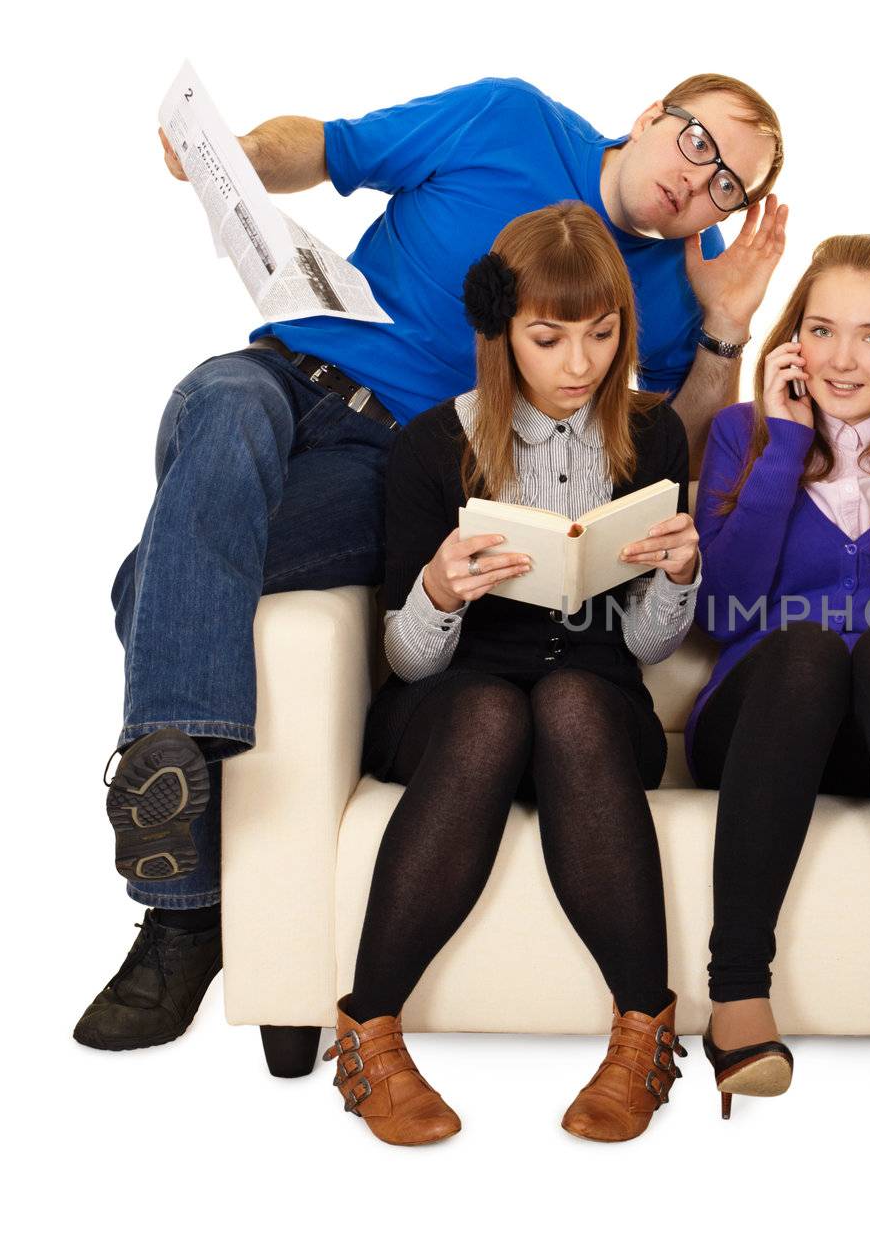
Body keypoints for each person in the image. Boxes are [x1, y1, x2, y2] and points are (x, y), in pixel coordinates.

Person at [77, 73, 787, 1052]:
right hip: (284, 373)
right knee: (221, 397)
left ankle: (181, 909)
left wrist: (722, 328)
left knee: (148, 580)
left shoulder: (670, 290)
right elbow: (326, 148)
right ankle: (178, 834)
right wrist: (232, 156)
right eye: (698, 144)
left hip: (395, 465)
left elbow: (669, 457)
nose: (698, 184)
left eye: (730, 190)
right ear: (651, 116)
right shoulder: (507, 118)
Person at [327, 202, 700, 1145]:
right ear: (502, 333)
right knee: (493, 709)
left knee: (573, 698)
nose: (579, 364)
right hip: (456, 704)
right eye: (549, 337)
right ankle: (369, 1030)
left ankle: (642, 1032)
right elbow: (407, 660)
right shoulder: (429, 449)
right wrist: (440, 594)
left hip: (597, 700)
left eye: (602, 335)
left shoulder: (653, 441)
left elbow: (650, 652)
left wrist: (679, 577)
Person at [689, 235, 870, 1148]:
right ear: (793, 341)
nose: (843, 360)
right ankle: (736, 987)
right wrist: (784, 447)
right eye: (822, 330)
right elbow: (719, 613)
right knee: (810, 647)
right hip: (764, 711)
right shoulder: (743, 437)